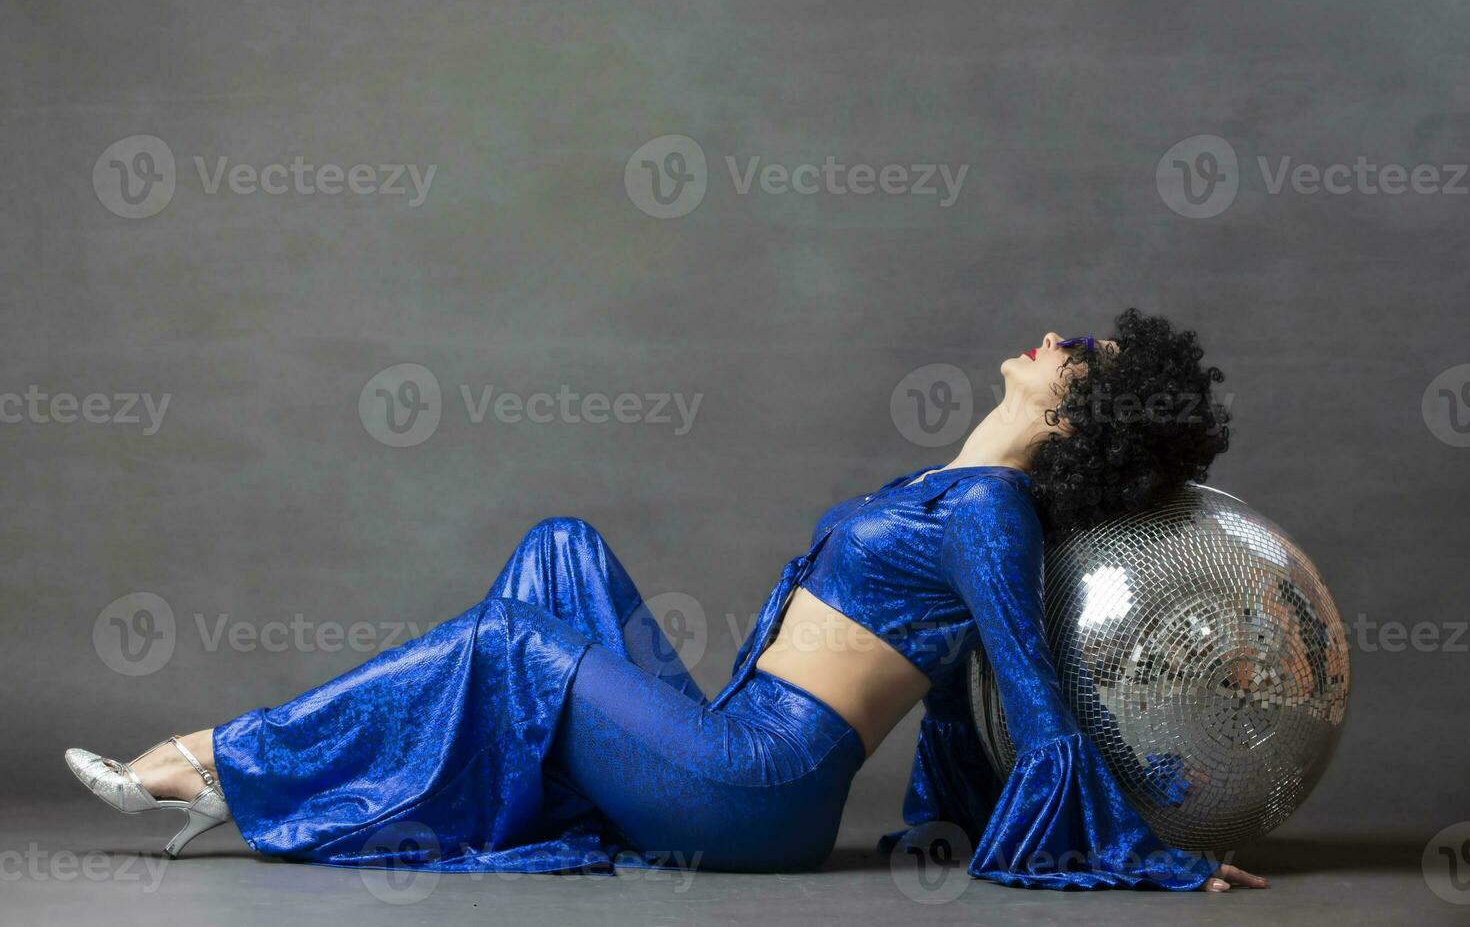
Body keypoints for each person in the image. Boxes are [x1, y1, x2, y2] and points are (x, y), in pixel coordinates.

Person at [66, 308, 1267, 892]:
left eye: (1079, 353)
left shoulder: (992, 512)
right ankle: (490, 792)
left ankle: (219, 762)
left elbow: (1035, 706)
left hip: (760, 786)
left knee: (513, 639)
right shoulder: (953, 485)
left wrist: (1151, 856)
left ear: (1073, 415)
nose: (1055, 335)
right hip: (730, 742)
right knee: (559, 550)